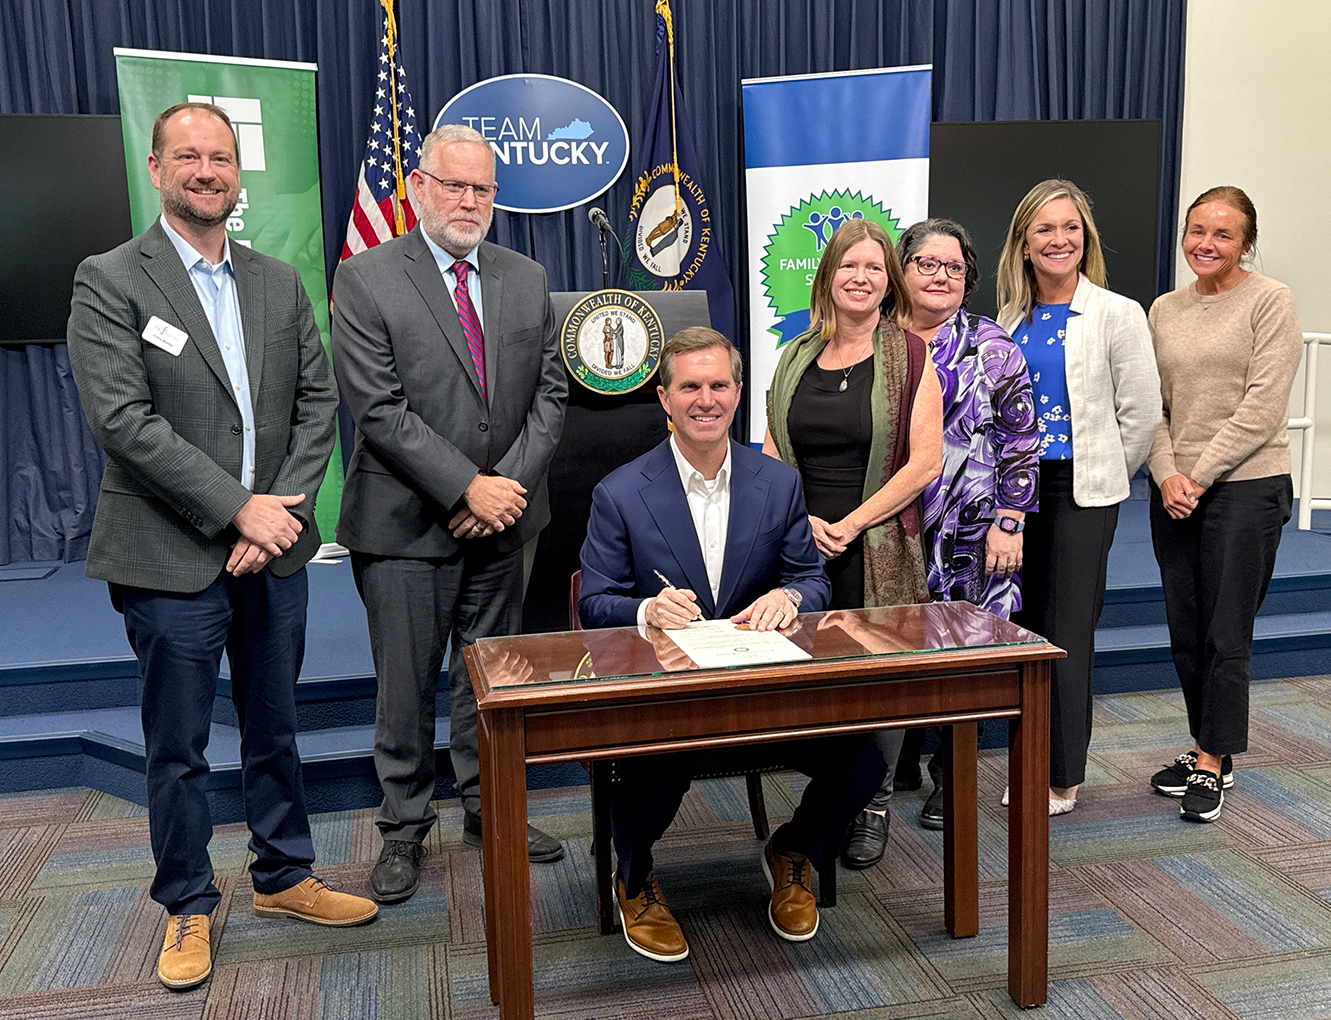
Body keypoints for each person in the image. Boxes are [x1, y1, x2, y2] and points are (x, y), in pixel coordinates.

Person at [66, 103, 375, 991]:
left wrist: (273, 514)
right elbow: (122, 422)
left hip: (272, 551)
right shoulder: (111, 278)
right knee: (180, 745)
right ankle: (188, 905)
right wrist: (239, 509)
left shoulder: (279, 281)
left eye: (222, 158)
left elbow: (319, 404)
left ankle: (282, 875)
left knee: (276, 724)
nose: (208, 171)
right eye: (189, 157)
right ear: (156, 168)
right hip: (169, 553)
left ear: (238, 176)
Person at [578, 327, 883, 962]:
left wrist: (792, 597)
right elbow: (593, 601)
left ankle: (794, 850)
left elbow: (811, 579)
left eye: (719, 385)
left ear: (738, 394)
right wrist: (646, 608)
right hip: (673, 698)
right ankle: (633, 879)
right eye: (690, 386)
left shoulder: (778, 483)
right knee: (652, 768)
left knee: (864, 762)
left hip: (766, 691)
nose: (705, 399)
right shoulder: (620, 492)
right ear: (664, 397)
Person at [331, 124, 569, 905]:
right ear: (419, 186)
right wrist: (468, 487)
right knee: (405, 687)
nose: (469, 201)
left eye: (483, 189)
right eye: (454, 184)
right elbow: (378, 408)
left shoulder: (526, 277)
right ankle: (402, 827)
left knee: (489, 679)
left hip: (504, 525)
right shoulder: (366, 278)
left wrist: (501, 490)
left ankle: (485, 805)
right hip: (404, 528)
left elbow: (550, 395)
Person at [762, 219, 943, 869]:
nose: (861, 278)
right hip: (802, 541)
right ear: (828, 276)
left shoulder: (911, 354)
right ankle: (832, 796)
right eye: (849, 266)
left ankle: (872, 805)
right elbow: (773, 450)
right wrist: (801, 520)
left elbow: (925, 462)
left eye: (873, 267)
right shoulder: (796, 353)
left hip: (879, 540)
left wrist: (853, 522)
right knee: (818, 680)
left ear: (888, 280)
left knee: (882, 681)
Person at [996, 179, 1161, 815]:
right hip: (1012, 494)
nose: (1059, 239)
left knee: (1065, 631)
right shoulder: (1008, 319)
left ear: (1084, 238)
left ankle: (1060, 774)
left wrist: (1104, 475)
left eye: (1070, 227)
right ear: (1024, 244)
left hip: (1079, 491)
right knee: (1021, 630)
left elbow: (1142, 413)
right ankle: (1028, 756)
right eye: (1044, 229)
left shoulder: (1118, 313)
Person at [1146, 187, 1301, 823]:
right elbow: (1149, 404)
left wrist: (1199, 476)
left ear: (1246, 243)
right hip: (1175, 488)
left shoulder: (1271, 300)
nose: (1206, 245)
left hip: (1247, 485)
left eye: (1224, 235)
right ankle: (1206, 744)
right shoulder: (1163, 308)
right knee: (1186, 629)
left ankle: (1214, 760)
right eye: (1197, 231)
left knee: (1224, 630)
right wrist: (1165, 475)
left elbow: (1262, 407)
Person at [891, 218, 1040, 837]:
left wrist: (1010, 520)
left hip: (972, 529)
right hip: (892, 525)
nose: (940, 276)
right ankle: (890, 766)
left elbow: (1022, 439)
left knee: (963, 653)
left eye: (953, 267)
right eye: (926, 263)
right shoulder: (872, 339)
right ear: (902, 271)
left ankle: (953, 774)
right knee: (889, 644)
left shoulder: (993, 345)